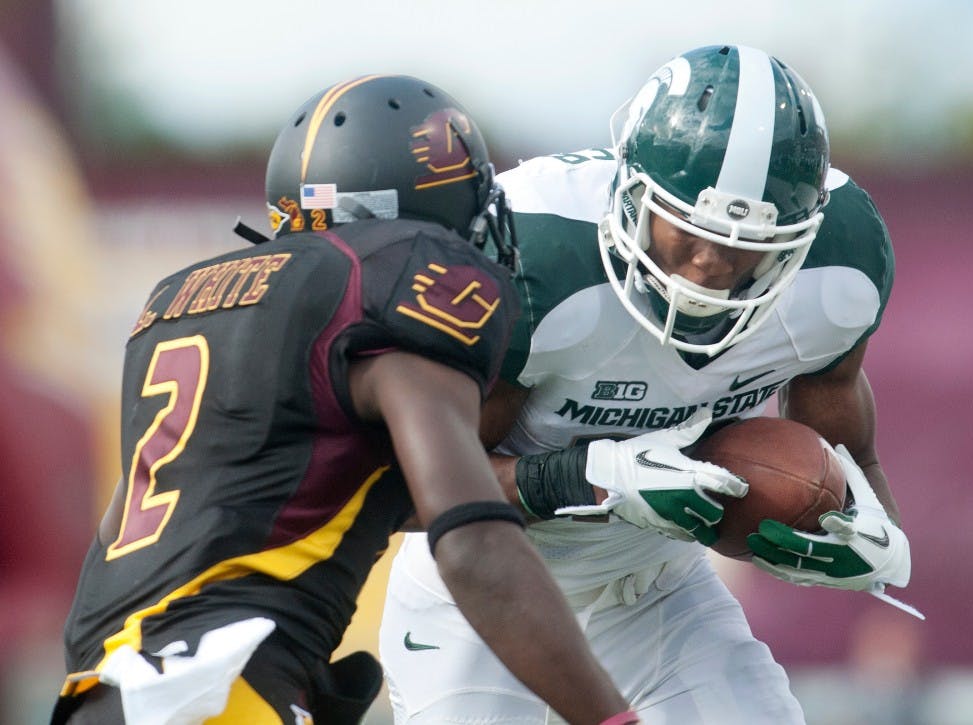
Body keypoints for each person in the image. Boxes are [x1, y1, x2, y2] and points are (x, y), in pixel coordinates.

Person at [51, 75, 637, 725]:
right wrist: (612, 717)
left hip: (100, 694)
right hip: (225, 694)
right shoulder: (392, 289)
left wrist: (555, 478)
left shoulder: (176, 302)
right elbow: (471, 542)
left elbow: (133, 541)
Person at [380, 45, 914, 723]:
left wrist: (873, 535)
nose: (709, 264)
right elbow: (399, 491)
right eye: (686, 227)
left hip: (656, 592)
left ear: (800, 237)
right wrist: (590, 476)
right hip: (482, 593)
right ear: (628, 193)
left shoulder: (840, 272)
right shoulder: (534, 260)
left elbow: (848, 459)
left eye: (746, 245)